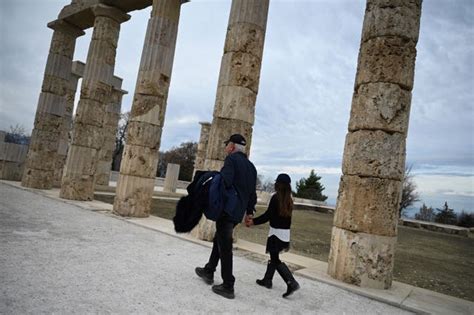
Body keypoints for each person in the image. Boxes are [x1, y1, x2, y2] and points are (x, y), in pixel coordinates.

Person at [195, 134, 257, 299]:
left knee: (225, 246)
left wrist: (214, 201)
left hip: (227, 211)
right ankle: (209, 270)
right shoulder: (252, 167)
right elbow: (252, 194)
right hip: (238, 213)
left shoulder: (231, 160)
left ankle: (228, 285)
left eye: (226, 145)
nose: (225, 148)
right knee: (220, 239)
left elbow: (225, 182)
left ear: (231, 147)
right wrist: (249, 213)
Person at [246, 173, 300, 298]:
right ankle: (267, 280)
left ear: (278, 185)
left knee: (275, 259)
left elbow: (268, 215)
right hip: (284, 234)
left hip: (276, 233)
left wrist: (253, 221)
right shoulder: (289, 200)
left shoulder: (276, 198)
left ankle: (291, 282)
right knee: (273, 256)